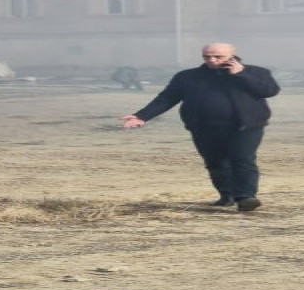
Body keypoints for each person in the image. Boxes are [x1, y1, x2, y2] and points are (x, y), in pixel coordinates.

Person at [120, 43, 280, 212]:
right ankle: (227, 196)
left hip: (245, 126)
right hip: (204, 127)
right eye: (207, 56)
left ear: (232, 55)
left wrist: (241, 74)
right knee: (215, 163)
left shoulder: (256, 72)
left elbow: (269, 91)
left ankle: (246, 197)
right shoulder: (188, 77)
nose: (211, 60)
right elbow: (166, 99)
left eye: (218, 56)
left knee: (242, 160)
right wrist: (142, 116)